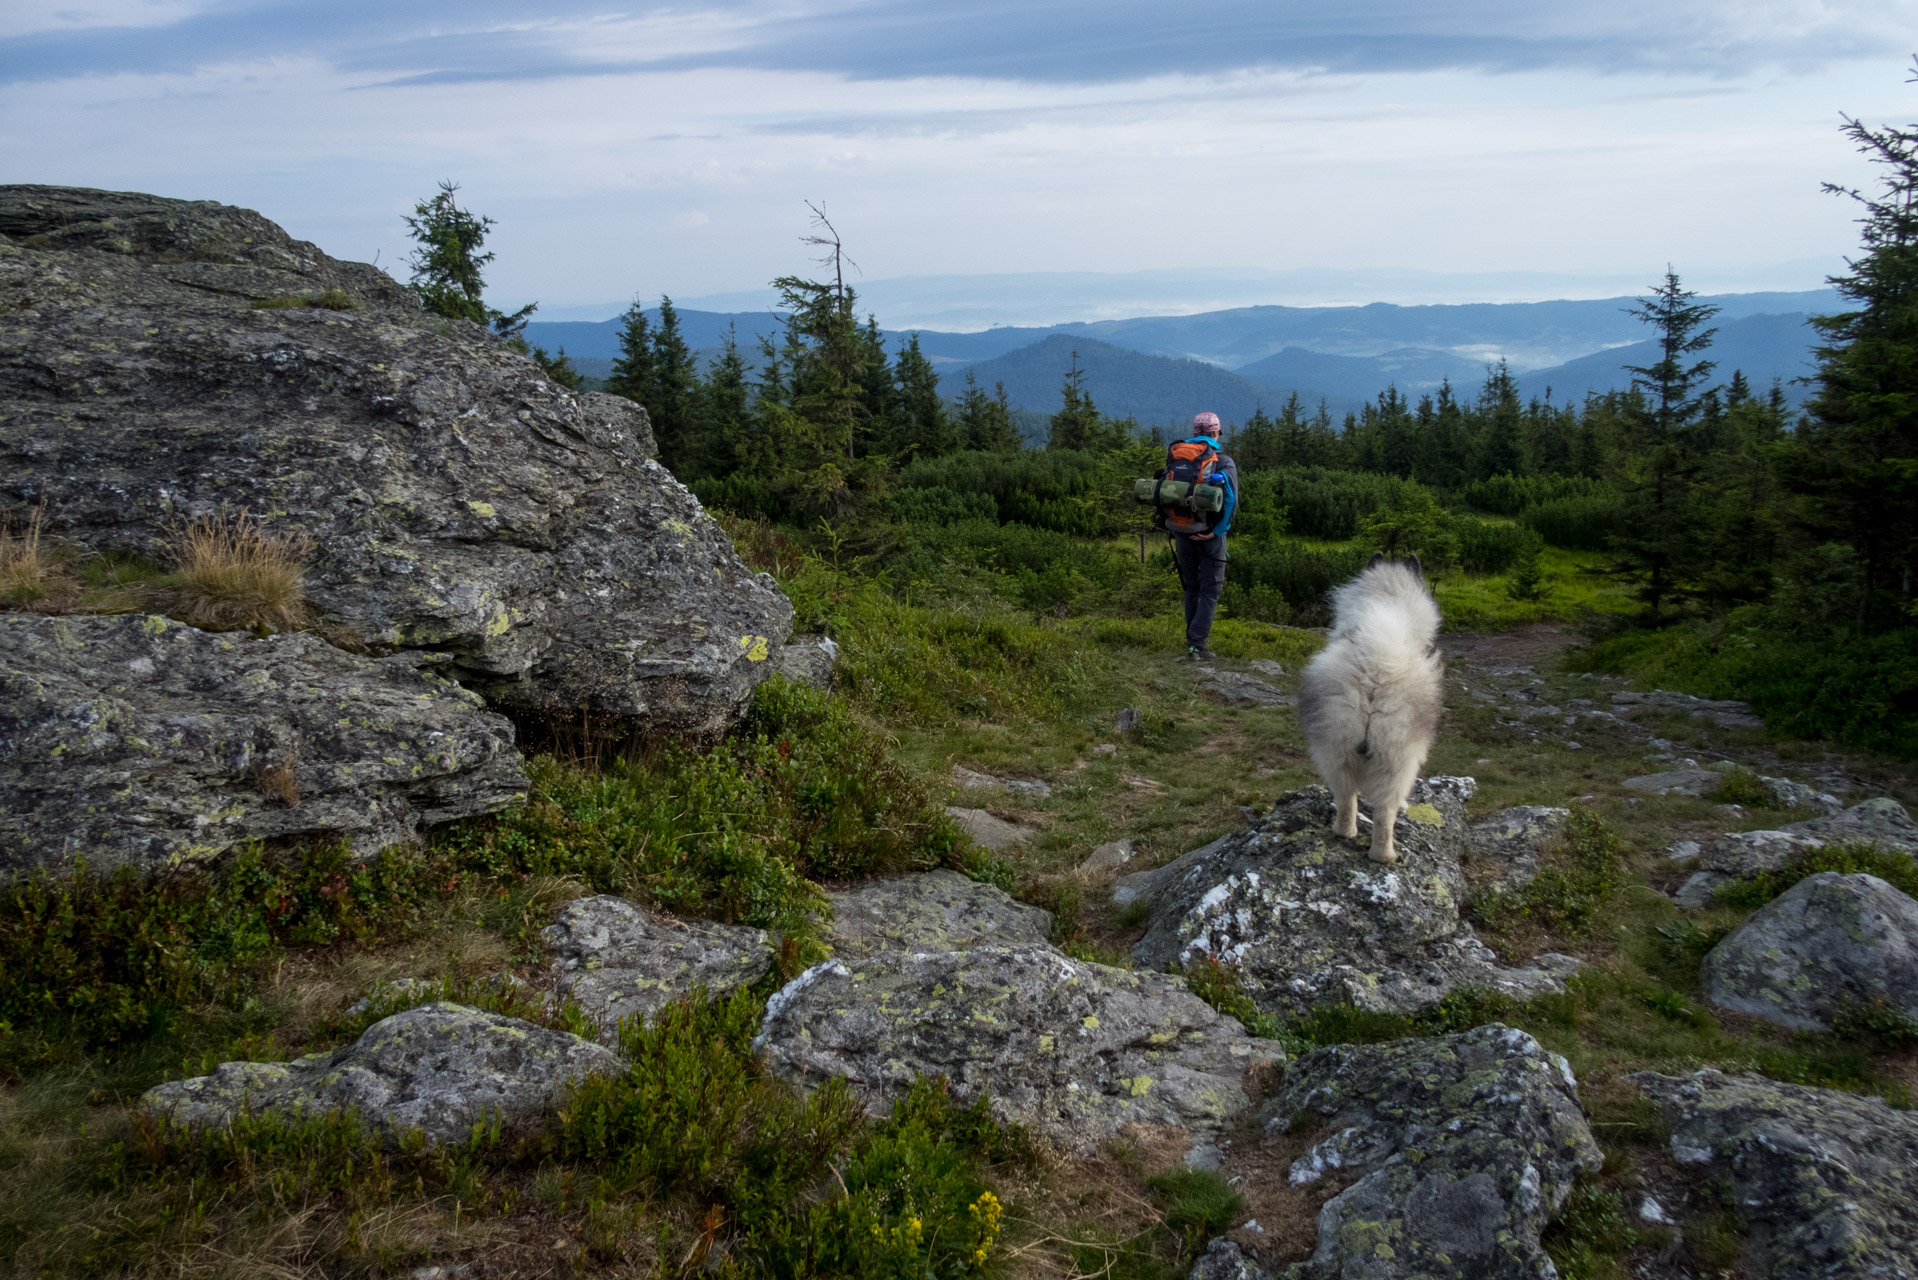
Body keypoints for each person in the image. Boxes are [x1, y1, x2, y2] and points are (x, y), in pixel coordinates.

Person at [1168, 411, 1238, 661]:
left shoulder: (1179, 456)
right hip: (1209, 536)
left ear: (1195, 432)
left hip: (1182, 530)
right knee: (1210, 590)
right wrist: (1216, 532)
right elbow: (1231, 499)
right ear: (1215, 433)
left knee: (1192, 588)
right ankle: (1196, 646)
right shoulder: (1222, 460)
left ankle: (1191, 643)